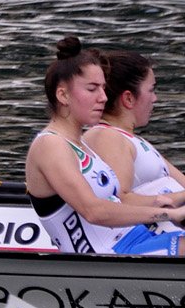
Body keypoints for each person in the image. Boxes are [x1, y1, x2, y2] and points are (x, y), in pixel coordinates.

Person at [24, 37, 185, 255]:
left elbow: (118, 200)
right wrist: (168, 214)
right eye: (92, 89)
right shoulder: (50, 145)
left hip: (136, 238)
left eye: (103, 88)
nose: (103, 97)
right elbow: (94, 211)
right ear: (63, 95)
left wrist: (159, 203)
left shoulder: (80, 144)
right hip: (106, 255)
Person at [83, 48, 185, 203]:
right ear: (128, 98)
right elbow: (119, 200)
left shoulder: (134, 141)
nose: (155, 98)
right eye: (151, 90)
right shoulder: (107, 137)